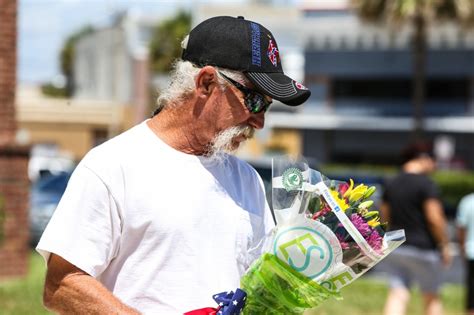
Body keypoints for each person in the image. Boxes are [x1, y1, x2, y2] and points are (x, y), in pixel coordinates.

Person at [36, 16, 311, 314]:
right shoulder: (113, 165)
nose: (260, 120)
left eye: (267, 106)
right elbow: (62, 284)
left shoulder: (248, 179)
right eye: (255, 101)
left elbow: (259, 286)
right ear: (206, 83)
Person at [380, 142, 452, 315]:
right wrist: (444, 244)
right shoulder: (426, 184)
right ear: (424, 158)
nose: (434, 165)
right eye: (433, 159)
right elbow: (434, 218)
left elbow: (384, 216)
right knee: (431, 296)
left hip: (396, 245)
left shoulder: (391, 182)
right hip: (423, 247)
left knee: (398, 293)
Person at [456, 192, 474, 315]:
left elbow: (461, 227)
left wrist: (462, 248)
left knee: (472, 294)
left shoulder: (468, 201)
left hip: (471, 251)